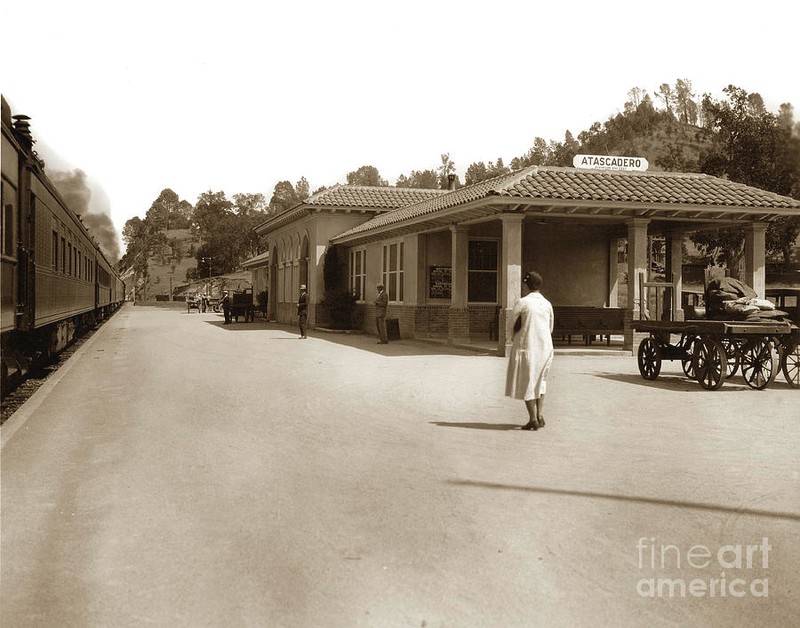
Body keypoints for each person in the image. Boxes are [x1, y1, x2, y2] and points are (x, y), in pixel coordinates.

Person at [505, 271, 554, 431]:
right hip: (545, 348)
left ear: (526, 285)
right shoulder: (547, 304)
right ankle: (540, 415)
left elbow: (511, 323)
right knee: (541, 381)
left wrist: (514, 338)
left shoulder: (523, 302)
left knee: (527, 381)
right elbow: (550, 327)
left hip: (527, 346)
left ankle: (532, 419)